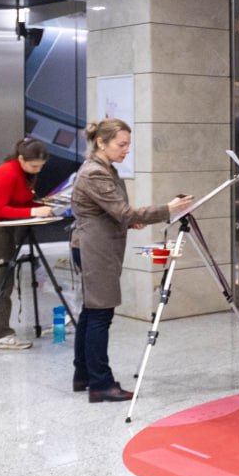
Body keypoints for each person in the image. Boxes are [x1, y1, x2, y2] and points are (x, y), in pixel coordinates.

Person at [71, 119, 192, 402]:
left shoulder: (105, 169)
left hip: (97, 246)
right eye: (121, 144)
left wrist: (128, 220)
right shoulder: (94, 173)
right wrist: (167, 209)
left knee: (91, 312)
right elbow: (124, 212)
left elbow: (113, 212)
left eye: (128, 144)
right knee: (100, 314)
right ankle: (100, 384)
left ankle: (84, 375)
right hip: (94, 249)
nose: (126, 150)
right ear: (102, 142)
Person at [0, 138, 53, 350]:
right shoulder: (8, 173)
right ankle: (0, 334)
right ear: (21, 158)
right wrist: (33, 211)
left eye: (41, 166)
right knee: (1, 282)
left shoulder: (23, 173)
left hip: (1, 229)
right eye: (34, 166)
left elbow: (19, 201)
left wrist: (42, 205)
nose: (37, 170)